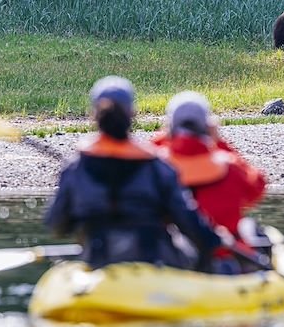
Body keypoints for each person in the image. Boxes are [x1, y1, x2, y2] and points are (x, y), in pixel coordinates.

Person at [44, 77, 221, 271]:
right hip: (152, 267)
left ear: (93, 115)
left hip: (98, 265)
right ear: (132, 113)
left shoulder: (75, 169)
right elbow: (190, 224)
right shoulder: (158, 168)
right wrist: (215, 239)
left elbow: (57, 225)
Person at [152, 91, 267, 274]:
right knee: (251, 228)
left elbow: (149, 152)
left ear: (170, 129)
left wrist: (166, 136)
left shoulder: (156, 166)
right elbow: (257, 189)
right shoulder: (229, 165)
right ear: (207, 127)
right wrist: (219, 142)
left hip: (174, 263)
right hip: (224, 259)